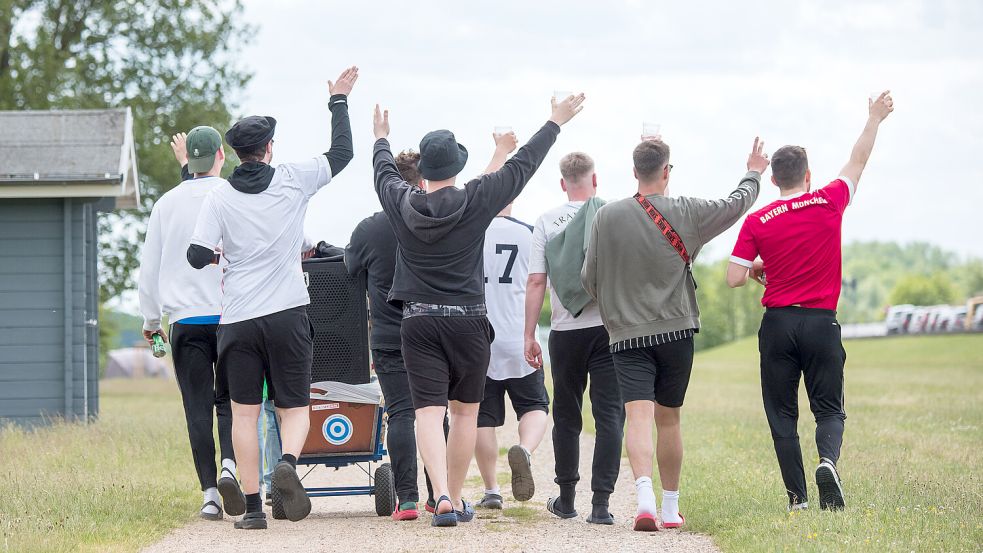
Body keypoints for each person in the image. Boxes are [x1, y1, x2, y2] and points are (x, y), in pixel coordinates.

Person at [371, 93, 586, 527]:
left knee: (427, 414)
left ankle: (443, 498)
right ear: (456, 168)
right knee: (465, 412)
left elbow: (383, 171)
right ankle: (450, 496)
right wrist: (554, 122)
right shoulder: (476, 198)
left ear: (424, 174)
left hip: (418, 321)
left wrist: (381, 138)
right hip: (469, 322)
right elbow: (521, 167)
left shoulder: (400, 201)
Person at [187, 66, 358, 530]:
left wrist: (221, 255)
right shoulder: (292, 179)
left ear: (237, 153)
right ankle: (287, 461)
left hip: (238, 320)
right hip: (287, 313)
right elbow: (343, 152)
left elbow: (195, 254)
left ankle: (254, 510)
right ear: (268, 148)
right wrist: (338, 99)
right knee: (294, 407)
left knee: (243, 415)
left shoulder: (218, 198)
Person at [582, 136, 766, 531]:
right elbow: (736, 204)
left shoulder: (606, 217)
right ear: (667, 171)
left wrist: (618, 306)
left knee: (637, 416)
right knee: (669, 420)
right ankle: (669, 508)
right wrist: (753, 172)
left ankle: (643, 498)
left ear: (634, 172)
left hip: (627, 335)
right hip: (677, 332)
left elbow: (588, 279)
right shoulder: (689, 211)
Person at [726, 92, 895, 512]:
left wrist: (758, 268)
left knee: (782, 414)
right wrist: (874, 117)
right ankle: (827, 462)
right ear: (808, 175)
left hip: (778, 324)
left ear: (774, 180)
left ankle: (797, 499)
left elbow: (733, 278)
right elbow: (858, 160)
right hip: (821, 322)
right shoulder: (829, 200)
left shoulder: (757, 219)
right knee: (829, 409)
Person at [138, 127, 243, 521]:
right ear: (221, 155)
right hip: (231, 315)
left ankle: (211, 495)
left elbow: (149, 270)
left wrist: (152, 320)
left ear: (189, 161)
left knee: (196, 406)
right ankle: (231, 464)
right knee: (232, 400)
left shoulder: (165, 204)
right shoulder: (234, 196)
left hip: (184, 320)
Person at [523, 152, 623, 525]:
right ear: (594, 181)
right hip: (609, 329)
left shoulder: (547, 221)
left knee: (567, 416)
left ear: (563, 183)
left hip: (565, 334)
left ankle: (566, 500)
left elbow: (536, 281)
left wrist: (529, 334)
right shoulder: (611, 213)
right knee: (610, 414)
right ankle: (601, 505)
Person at [345, 150, 442, 521]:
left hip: (388, 334)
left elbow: (350, 268)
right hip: (432, 331)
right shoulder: (435, 220)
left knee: (400, 412)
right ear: (421, 183)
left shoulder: (368, 229)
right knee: (436, 413)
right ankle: (440, 493)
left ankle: (408, 500)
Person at [475, 191, 550, 510]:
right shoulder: (529, 233)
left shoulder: (471, 232)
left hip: (479, 337)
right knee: (535, 404)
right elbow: (540, 282)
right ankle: (525, 450)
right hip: (520, 334)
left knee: (480, 418)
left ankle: (492, 489)